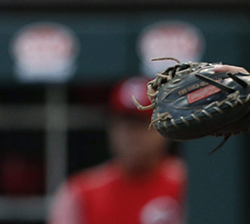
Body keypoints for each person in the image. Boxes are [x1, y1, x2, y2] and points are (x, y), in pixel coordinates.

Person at [47, 77, 185, 224]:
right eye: (124, 124)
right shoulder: (81, 192)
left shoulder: (186, 183)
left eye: (141, 123)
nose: (131, 134)